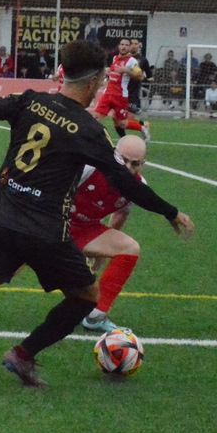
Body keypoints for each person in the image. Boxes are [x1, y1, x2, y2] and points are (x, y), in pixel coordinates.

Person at [0, 39, 194, 395]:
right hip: (47, 232)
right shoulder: (89, 130)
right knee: (86, 296)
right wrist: (170, 212)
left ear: (64, 73)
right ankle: (23, 354)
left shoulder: (32, 100)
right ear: (94, 82)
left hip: (1, 218)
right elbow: (124, 180)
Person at [68, 134, 151, 334]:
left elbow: (121, 212)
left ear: (143, 164)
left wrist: (103, 252)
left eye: (135, 163)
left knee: (130, 248)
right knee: (7, 264)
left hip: (85, 230)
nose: (129, 168)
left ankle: (96, 316)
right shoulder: (88, 168)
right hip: (53, 225)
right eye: (124, 161)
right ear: (114, 155)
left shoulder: (138, 187)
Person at [90, 38, 150, 139]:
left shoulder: (132, 61)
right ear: (118, 46)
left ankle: (142, 128)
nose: (123, 47)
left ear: (130, 47)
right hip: (108, 94)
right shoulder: (114, 58)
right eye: (122, 45)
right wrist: (106, 72)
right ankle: (92, 141)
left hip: (120, 96)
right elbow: (113, 74)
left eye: (126, 45)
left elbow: (139, 75)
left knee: (122, 123)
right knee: (95, 118)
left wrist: (127, 71)